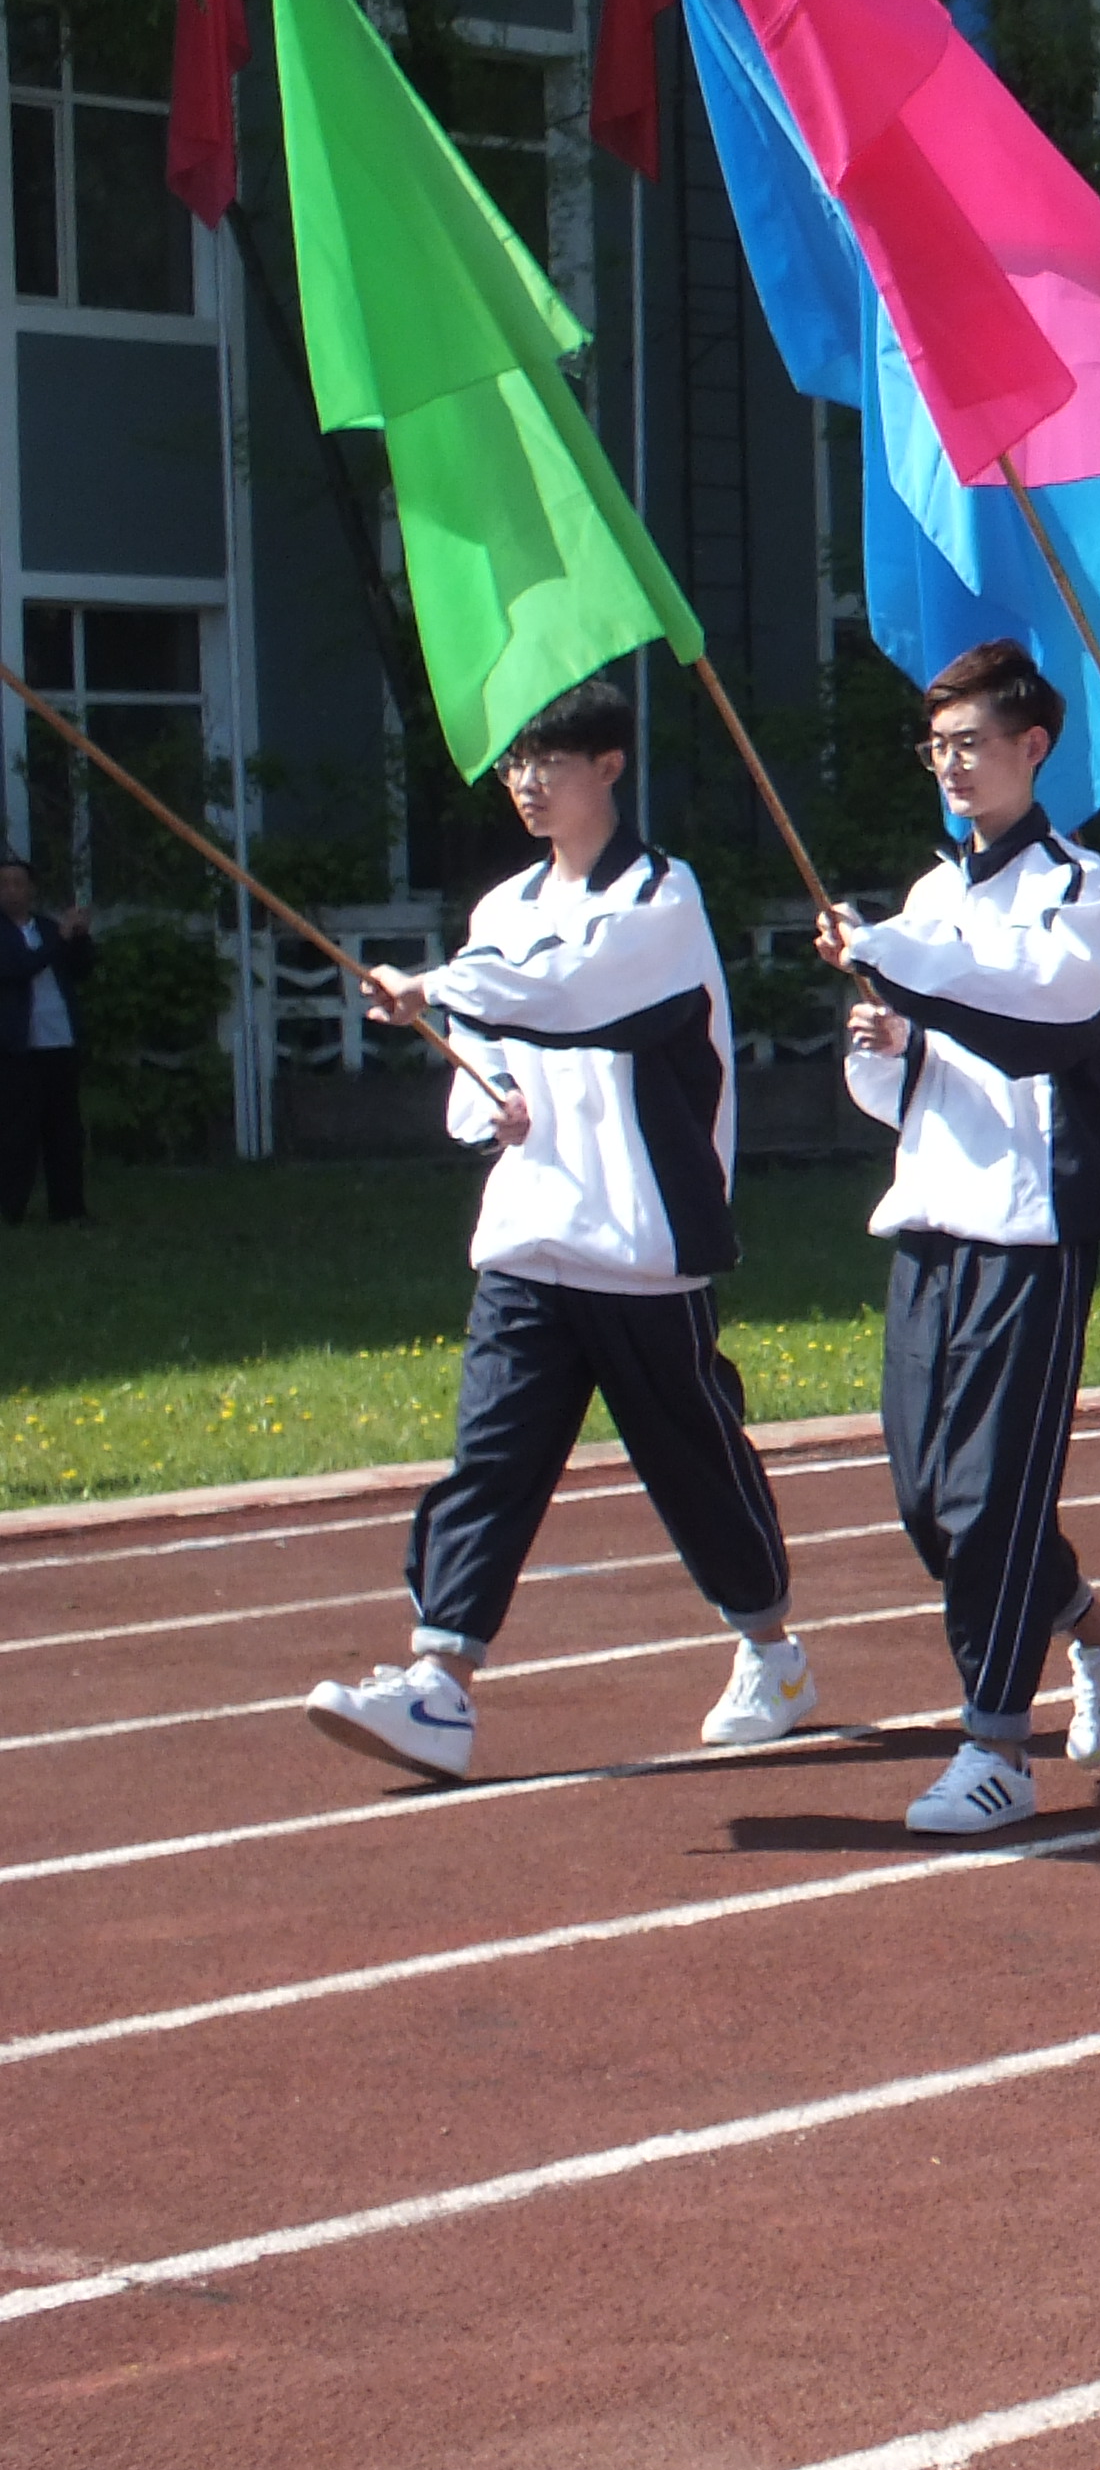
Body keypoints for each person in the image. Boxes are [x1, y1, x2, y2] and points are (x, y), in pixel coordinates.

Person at [303, 679, 806, 1783]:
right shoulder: (504, 909)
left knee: (692, 1462)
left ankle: (771, 1646)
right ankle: (438, 1680)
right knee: (490, 1457)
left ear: (610, 768)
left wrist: (431, 986)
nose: (528, 783)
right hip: (531, 1234)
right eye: (517, 765)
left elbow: (576, 994)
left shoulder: (661, 899)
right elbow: (483, 1069)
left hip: (640, 1240)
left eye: (551, 761)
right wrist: (489, 1100)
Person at [825, 641, 1100, 1839]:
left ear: (1033, 750)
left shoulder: (1080, 887)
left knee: (993, 1496)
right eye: (938, 747)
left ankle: (995, 1744)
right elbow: (918, 1080)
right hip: (933, 1217)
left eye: (973, 745)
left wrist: (905, 967)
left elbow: (1041, 1019)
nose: (953, 767)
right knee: (926, 1499)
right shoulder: (933, 895)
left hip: (1031, 1226)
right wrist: (885, 1044)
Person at [0, 854, 89, 1226]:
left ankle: (67, 1208)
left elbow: (81, 970)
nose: (11, 892)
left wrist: (80, 936)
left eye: (18, 883)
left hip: (59, 1040)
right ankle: (10, 1208)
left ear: (32, 889)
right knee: (18, 1130)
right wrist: (60, 941)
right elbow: (19, 968)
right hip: (19, 1045)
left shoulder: (49, 928)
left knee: (65, 1128)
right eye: (4, 885)